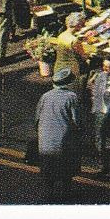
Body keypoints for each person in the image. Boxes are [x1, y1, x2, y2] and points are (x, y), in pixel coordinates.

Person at [35, 67, 84, 202]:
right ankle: (65, 194)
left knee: (48, 167)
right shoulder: (72, 97)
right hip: (64, 139)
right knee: (66, 168)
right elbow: (77, 120)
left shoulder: (45, 96)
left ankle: (48, 193)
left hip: (45, 138)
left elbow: (37, 117)